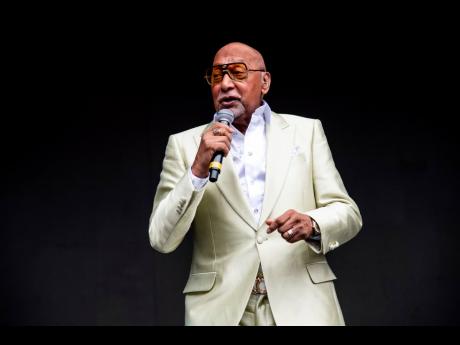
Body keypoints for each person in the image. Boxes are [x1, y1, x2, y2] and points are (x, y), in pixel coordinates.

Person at [148, 42, 362, 326]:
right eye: (216, 76)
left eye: (237, 72)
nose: (225, 84)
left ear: (265, 81)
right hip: (220, 311)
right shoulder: (185, 145)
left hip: (302, 305)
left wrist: (312, 224)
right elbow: (161, 238)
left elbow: (348, 212)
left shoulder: (306, 132)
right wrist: (197, 169)